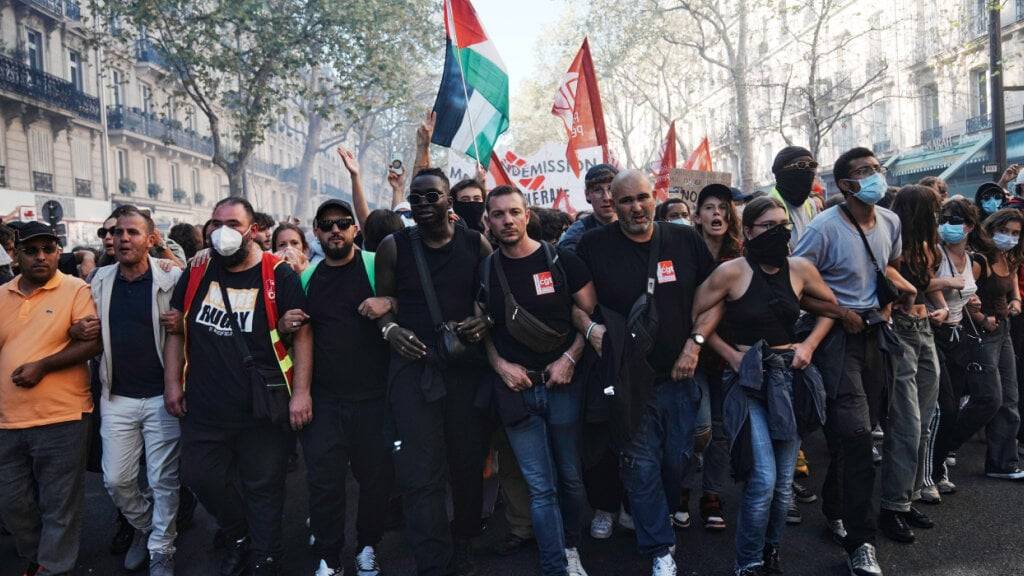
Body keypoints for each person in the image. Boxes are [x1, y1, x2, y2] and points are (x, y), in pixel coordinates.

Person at [576, 170, 717, 576]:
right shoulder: (592, 245)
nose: (636, 207)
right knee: (640, 467)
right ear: (613, 205)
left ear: (654, 197)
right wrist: (591, 330)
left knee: (677, 461)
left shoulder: (684, 238)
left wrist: (695, 345)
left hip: (680, 377)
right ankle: (660, 548)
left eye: (642, 198)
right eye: (625, 201)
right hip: (627, 380)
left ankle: (662, 518)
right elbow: (576, 303)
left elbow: (715, 299)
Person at [163, 197, 313, 576]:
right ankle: (239, 533)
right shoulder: (198, 271)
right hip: (205, 408)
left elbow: (303, 335)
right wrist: (172, 385)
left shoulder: (278, 274)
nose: (222, 230)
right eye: (215, 223)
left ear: (254, 230)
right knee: (200, 477)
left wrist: (301, 394)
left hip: (262, 409)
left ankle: (264, 556)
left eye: (232, 222)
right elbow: (176, 329)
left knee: (264, 487)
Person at [692, 195, 836, 576]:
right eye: (767, 226)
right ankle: (748, 563)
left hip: (789, 378)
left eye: (782, 225)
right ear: (749, 232)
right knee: (764, 480)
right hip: (747, 380)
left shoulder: (801, 268)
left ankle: (770, 553)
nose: (778, 232)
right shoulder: (731, 272)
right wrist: (730, 355)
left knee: (784, 484)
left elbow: (831, 310)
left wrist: (808, 344)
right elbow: (697, 319)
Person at [793, 147, 911, 576]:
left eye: (877, 168)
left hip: (877, 337)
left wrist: (898, 299)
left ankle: (835, 505)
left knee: (858, 434)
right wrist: (842, 313)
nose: (875, 176)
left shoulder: (892, 221)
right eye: (864, 172)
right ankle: (861, 545)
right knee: (858, 435)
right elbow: (796, 290)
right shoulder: (822, 229)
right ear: (845, 185)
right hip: (836, 340)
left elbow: (889, 268)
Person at [373, 168, 492, 576]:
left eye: (432, 197)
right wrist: (390, 330)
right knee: (420, 469)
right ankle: (432, 559)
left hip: (464, 369)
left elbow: (493, 297)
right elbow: (382, 305)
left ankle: (465, 538)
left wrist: (485, 322)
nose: (423, 205)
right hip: (413, 369)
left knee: (466, 462)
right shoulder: (393, 247)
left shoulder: (476, 244)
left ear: (449, 201)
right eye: (416, 197)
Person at [480, 185, 597, 576]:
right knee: (540, 487)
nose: (507, 220)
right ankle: (554, 566)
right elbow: (484, 332)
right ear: (488, 220)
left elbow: (589, 321)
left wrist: (569, 358)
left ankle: (571, 548)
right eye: (498, 214)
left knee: (570, 479)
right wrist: (501, 366)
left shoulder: (563, 260)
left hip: (563, 386)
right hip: (517, 392)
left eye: (514, 212)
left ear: (527, 214)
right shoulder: (485, 270)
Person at [278, 199, 394, 576]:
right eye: (327, 225)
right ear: (316, 231)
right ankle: (329, 556)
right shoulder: (308, 277)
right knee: (324, 483)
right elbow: (296, 334)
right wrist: (284, 326)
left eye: (343, 223)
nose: (335, 231)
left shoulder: (377, 265)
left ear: (355, 229)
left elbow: (411, 303)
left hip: (375, 398)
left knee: (375, 481)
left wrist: (388, 300)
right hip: (324, 400)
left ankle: (367, 547)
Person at [0, 221, 102, 576]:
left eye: (48, 249)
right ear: (16, 254)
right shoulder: (3, 294)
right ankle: (37, 554)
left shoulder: (76, 290)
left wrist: (42, 365)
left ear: (60, 251)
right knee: (13, 503)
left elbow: (93, 341)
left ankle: (52, 567)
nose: (40, 257)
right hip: (7, 419)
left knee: (60, 503)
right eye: (31, 250)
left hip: (63, 415)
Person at [87, 205, 183, 576]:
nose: (122, 239)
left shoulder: (172, 278)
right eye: (117, 233)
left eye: (132, 232)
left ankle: (162, 548)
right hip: (117, 397)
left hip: (162, 397)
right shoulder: (98, 280)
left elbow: (195, 324)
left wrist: (183, 322)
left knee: (163, 479)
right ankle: (147, 528)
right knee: (117, 479)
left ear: (151, 239)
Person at [879, 186, 943, 544]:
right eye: (932, 208)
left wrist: (936, 301)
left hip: (924, 328)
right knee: (906, 421)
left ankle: (909, 495)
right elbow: (885, 270)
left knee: (924, 419)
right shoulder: (894, 237)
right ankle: (893, 505)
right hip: (901, 331)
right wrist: (909, 291)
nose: (938, 214)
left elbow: (925, 282)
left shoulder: (925, 244)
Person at [922, 198, 983, 502]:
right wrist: (946, 295)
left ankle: (938, 467)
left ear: (970, 226)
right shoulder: (935, 253)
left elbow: (967, 289)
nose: (947, 225)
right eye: (944, 219)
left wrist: (972, 301)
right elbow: (921, 283)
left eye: (955, 220)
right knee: (943, 407)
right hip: (936, 333)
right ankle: (926, 477)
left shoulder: (972, 259)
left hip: (960, 336)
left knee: (955, 405)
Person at [962, 208, 1024, 480]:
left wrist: (1016, 301)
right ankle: (946, 443)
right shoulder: (979, 259)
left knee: (1010, 398)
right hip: (981, 332)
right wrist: (980, 317)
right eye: (1005, 231)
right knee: (989, 397)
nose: (1010, 237)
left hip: (1003, 328)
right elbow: (961, 294)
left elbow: (1012, 283)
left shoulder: (1008, 256)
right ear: (991, 228)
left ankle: (1002, 462)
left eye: (1015, 233)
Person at [558, 164, 619, 252]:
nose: (606, 197)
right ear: (587, 194)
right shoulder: (577, 233)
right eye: (598, 190)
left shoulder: (632, 224)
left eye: (611, 189)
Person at [768, 146, 820, 248]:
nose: (807, 170)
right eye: (800, 165)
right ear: (781, 172)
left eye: (812, 165)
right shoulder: (767, 208)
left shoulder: (811, 205)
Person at [694, 184, 743, 262]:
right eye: (709, 207)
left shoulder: (742, 253)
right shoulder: (688, 252)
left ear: (730, 217)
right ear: (698, 218)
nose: (716, 212)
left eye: (723, 207)